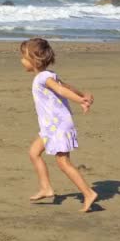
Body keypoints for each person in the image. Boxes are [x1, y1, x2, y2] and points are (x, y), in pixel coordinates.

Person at [19, 38, 98, 212]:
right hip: (50, 127)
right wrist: (82, 93)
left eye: (23, 57)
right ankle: (46, 188)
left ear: (34, 59)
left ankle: (88, 193)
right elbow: (66, 86)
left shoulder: (43, 77)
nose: (21, 61)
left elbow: (62, 90)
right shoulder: (48, 76)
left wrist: (80, 100)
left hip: (58, 125)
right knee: (34, 153)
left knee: (63, 162)